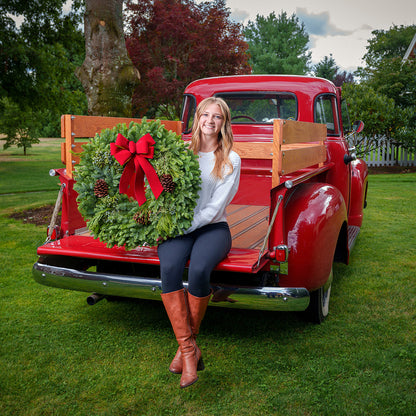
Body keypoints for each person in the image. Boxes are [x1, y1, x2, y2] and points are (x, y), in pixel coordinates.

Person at [157, 97, 241, 388]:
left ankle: (185, 352)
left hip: (213, 228)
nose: (210, 120)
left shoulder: (231, 158)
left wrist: (183, 226)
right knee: (168, 267)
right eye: (205, 115)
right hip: (178, 227)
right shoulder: (181, 153)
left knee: (199, 270)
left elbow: (214, 208)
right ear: (197, 119)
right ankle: (190, 351)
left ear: (224, 123)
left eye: (217, 117)